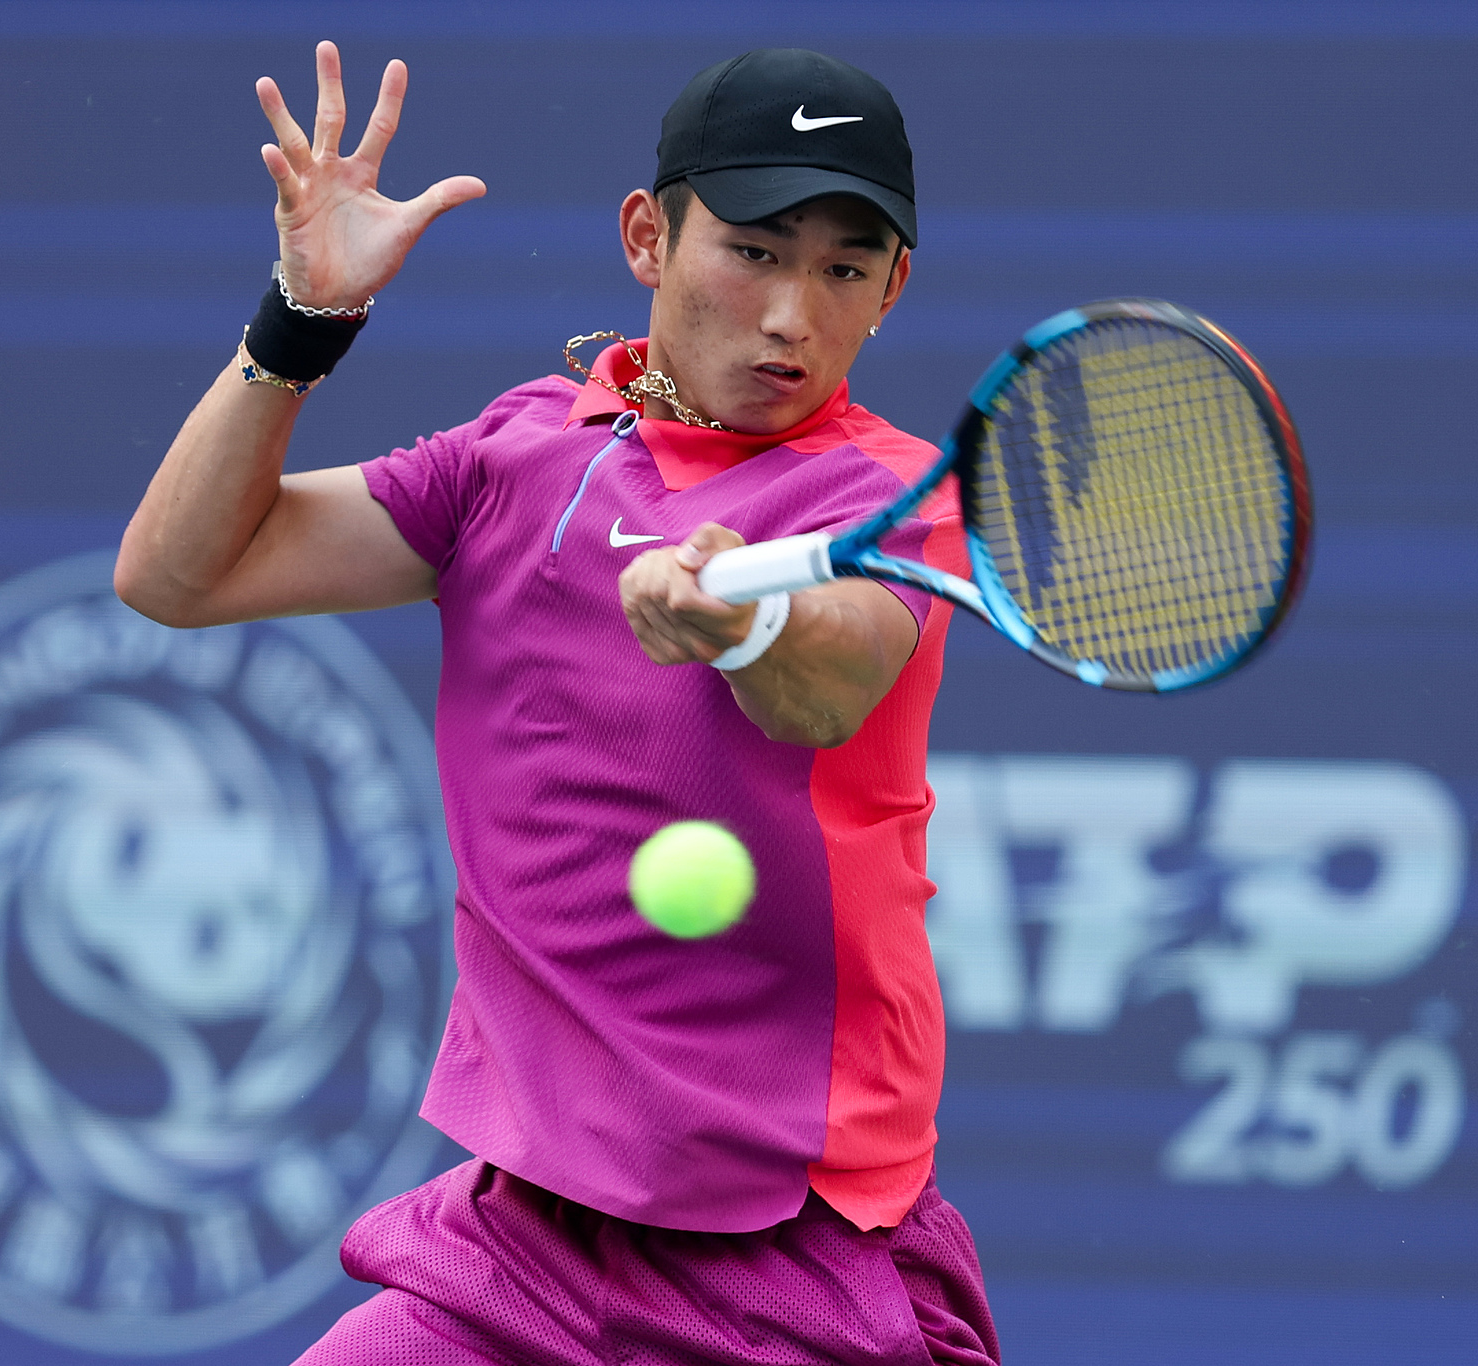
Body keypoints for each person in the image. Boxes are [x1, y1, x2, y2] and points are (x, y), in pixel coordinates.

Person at [117, 42, 1000, 1366]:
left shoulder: (893, 494)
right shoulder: (518, 458)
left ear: (893, 290)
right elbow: (178, 573)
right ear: (649, 235)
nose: (790, 315)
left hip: (799, 1256)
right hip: (521, 1246)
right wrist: (300, 324)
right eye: (754, 249)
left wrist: (739, 619)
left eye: (843, 267)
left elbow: (829, 683)